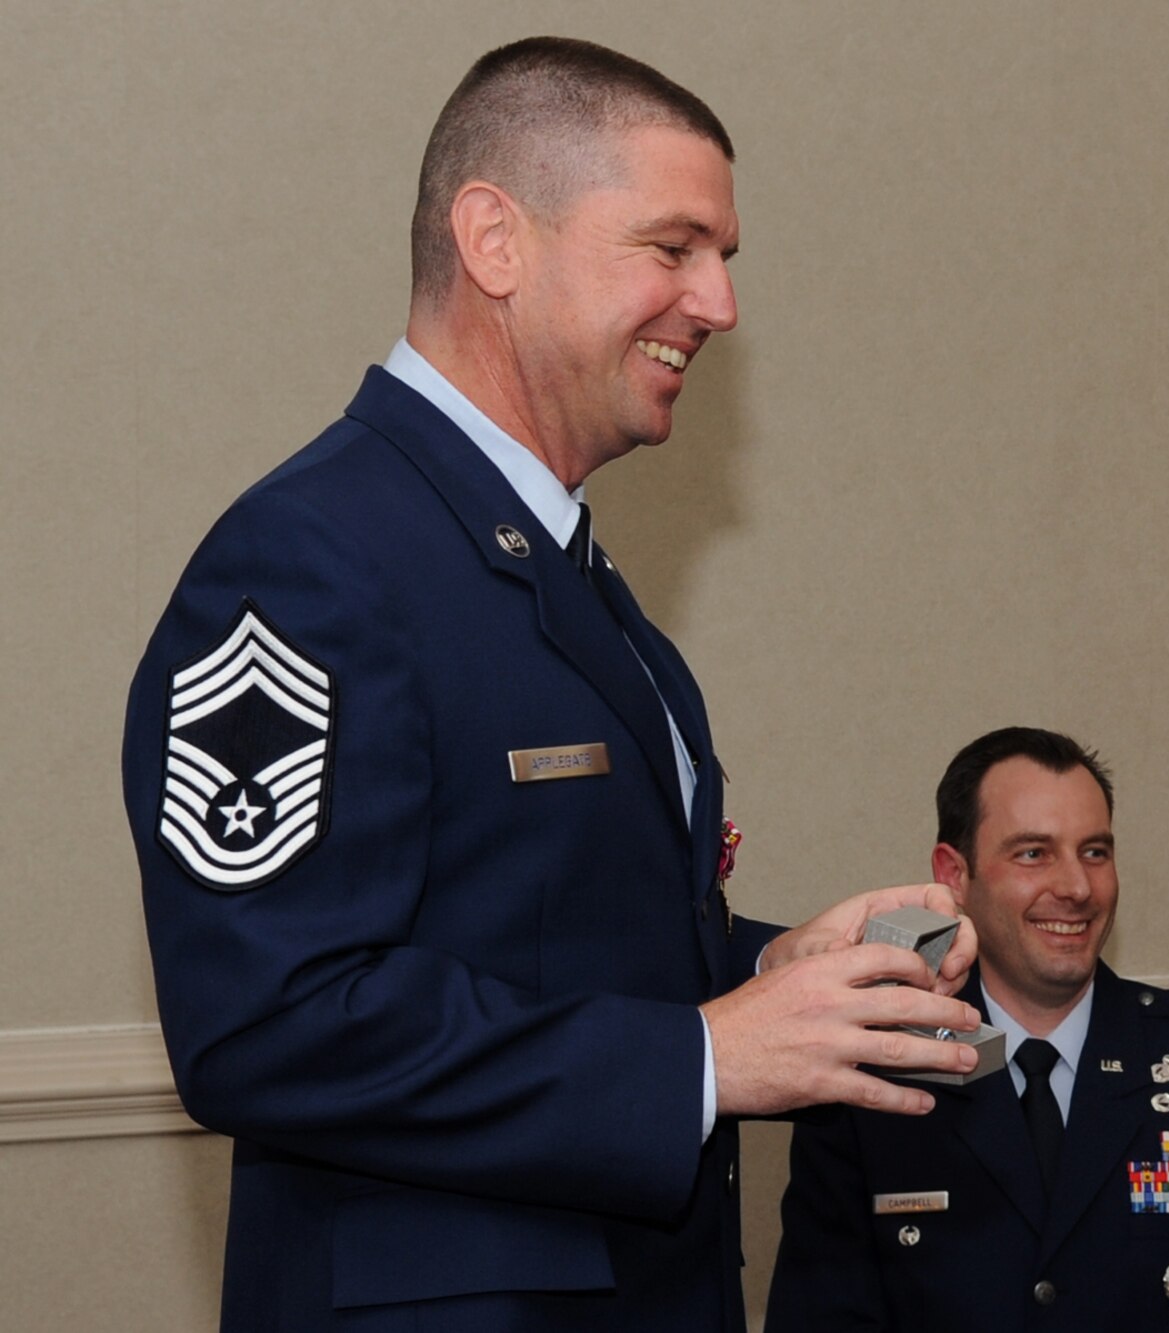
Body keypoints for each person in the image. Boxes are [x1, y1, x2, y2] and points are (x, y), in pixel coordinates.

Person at [121, 37, 985, 1333]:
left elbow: (540, 940)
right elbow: (267, 1022)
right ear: (495, 240)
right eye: (673, 247)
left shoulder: (555, 563)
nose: (719, 303)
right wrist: (706, 1056)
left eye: (724, 257)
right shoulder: (309, 560)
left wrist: (776, 967)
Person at [767, 727, 1169, 1331]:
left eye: (1095, 852)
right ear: (954, 874)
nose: (1076, 888)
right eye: (1033, 853)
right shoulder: (876, 1068)